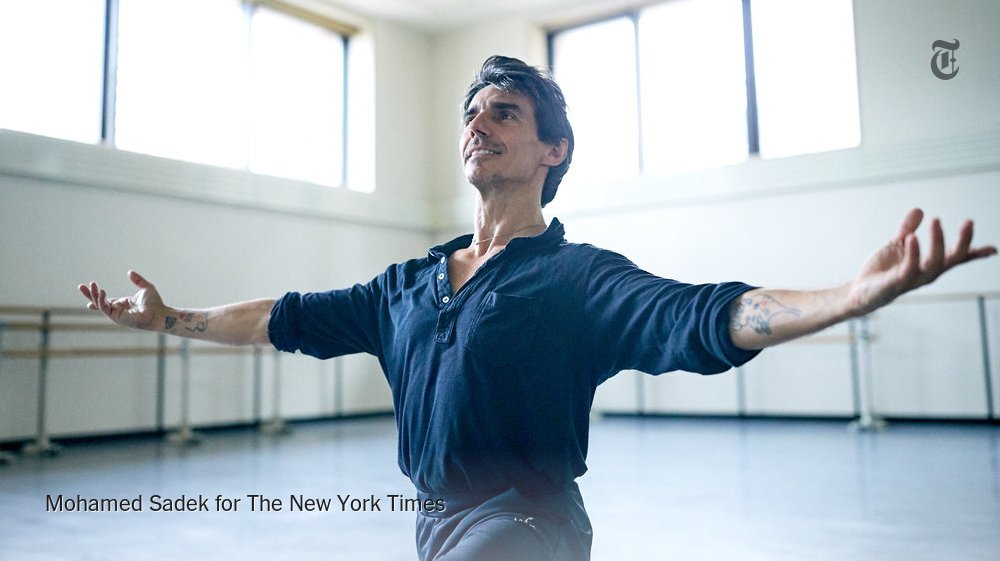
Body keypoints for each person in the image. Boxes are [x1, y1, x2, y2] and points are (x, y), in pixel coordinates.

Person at [79, 55, 996, 560]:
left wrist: (851, 295)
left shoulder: (577, 278)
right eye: (472, 114)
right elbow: (281, 316)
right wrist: (171, 318)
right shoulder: (408, 284)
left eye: (505, 112)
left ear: (554, 148)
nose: (479, 123)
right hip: (432, 525)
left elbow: (704, 313)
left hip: (527, 528)